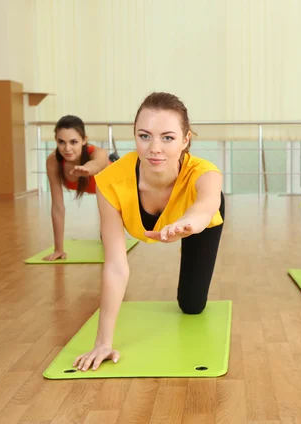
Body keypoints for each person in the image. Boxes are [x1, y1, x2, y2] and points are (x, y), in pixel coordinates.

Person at [72, 92, 224, 372]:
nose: (155, 148)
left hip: (196, 221)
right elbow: (116, 266)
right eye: (145, 136)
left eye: (167, 137)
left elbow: (206, 207)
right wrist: (103, 342)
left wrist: (187, 224)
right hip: (180, 218)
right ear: (135, 137)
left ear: (186, 140)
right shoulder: (110, 183)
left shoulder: (205, 174)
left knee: (192, 306)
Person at [44, 115, 110, 261]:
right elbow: (57, 207)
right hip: (98, 189)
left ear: (84, 140)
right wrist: (58, 249)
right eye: (61, 142)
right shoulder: (53, 161)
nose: (67, 148)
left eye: (74, 142)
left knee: (106, 238)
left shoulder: (98, 153)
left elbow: (98, 164)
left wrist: (85, 169)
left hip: (115, 188)